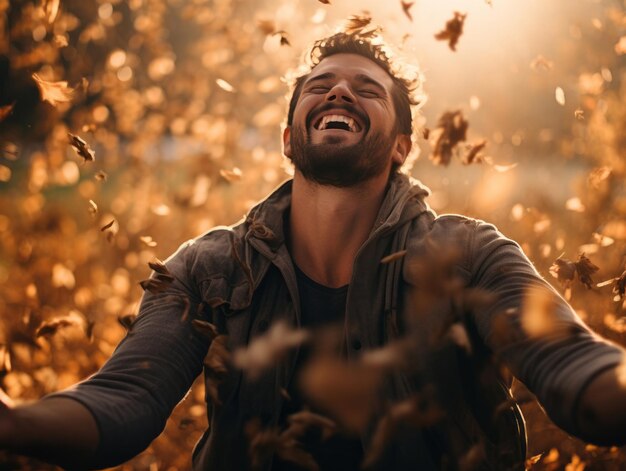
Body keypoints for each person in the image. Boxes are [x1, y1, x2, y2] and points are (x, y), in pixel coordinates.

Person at [1, 30, 625, 471]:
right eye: (320, 85)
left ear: (402, 145)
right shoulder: (209, 267)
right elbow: (122, 403)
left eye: (368, 89)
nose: (340, 93)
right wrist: (10, 424)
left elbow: (574, 371)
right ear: (288, 137)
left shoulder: (470, 255)